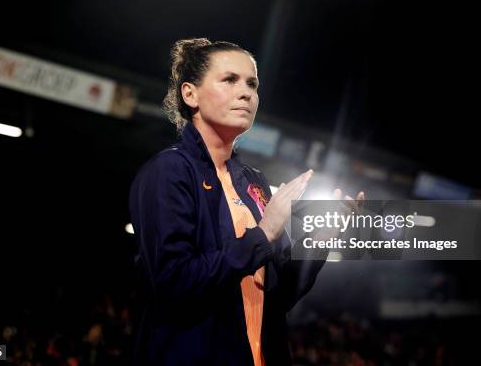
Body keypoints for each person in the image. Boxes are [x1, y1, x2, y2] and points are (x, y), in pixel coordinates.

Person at [129, 38, 364, 365]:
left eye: (252, 84)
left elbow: (276, 298)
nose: (246, 93)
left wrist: (318, 241)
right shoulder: (168, 171)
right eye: (230, 80)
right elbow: (174, 283)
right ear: (190, 94)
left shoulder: (253, 182)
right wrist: (263, 233)